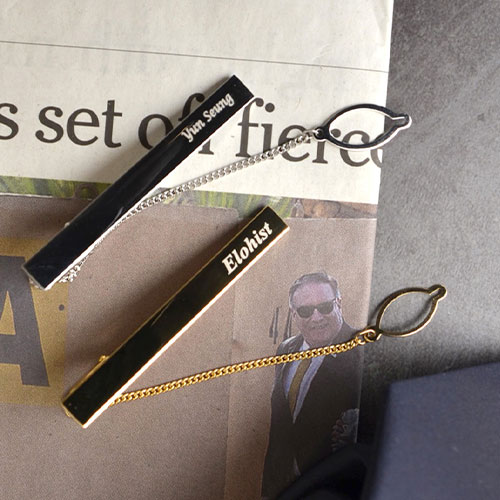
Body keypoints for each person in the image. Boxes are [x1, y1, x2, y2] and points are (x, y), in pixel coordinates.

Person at [261, 272, 362, 499]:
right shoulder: (286, 349)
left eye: (325, 307)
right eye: (306, 311)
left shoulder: (361, 352)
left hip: (330, 488)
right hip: (284, 486)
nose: (316, 318)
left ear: (338, 304)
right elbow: (279, 426)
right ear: (293, 314)